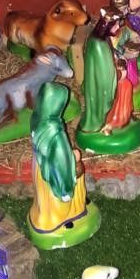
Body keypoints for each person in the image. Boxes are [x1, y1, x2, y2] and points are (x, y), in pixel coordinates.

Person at [29, 82, 89, 236]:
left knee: (44, 197)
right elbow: (61, 162)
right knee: (58, 203)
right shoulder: (54, 131)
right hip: (55, 177)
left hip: (41, 166)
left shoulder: (38, 120)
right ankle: (61, 219)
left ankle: (46, 216)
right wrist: (72, 159)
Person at [102, 59, 134, 135]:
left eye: (118, 66)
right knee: (121, 102)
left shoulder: (120, 72)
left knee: (122, 102)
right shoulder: (121, 72)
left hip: (122, 87)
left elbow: (116, 78)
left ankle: (118, 119)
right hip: (124, 86)